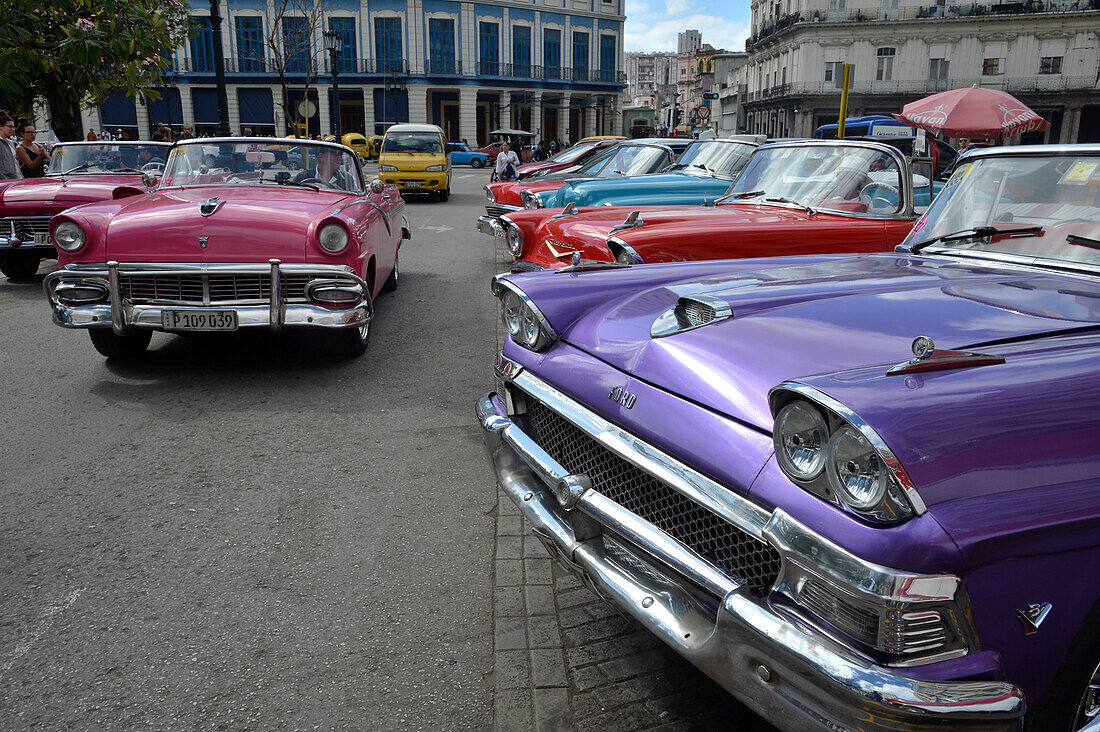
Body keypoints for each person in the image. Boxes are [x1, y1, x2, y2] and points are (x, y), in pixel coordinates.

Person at [0, 112, 22, 180]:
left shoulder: (10, 142)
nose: (12, 129)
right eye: (10, 126)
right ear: (0, 126)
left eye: (13, 127)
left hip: (16, 179)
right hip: (5, 182)